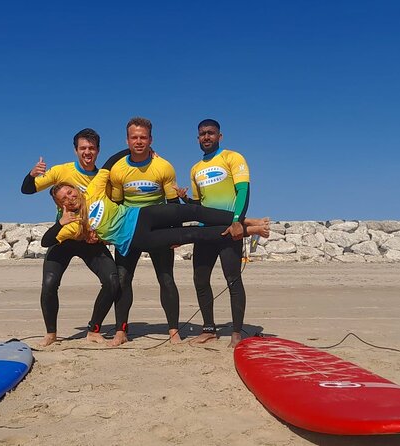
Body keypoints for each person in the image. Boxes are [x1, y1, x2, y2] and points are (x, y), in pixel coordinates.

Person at [40, 149, 270, 347]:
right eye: (63, 199)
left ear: (75, 190)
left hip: (142, 214)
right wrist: (61, 222)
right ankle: (250, 230)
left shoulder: (92, 191)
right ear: (60, 204)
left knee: (191, 212)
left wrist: (140, 153)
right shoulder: (74, 224)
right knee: (190, 234)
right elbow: (46, 241)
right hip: (136, 239)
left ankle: (244, 221)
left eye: (70, 192)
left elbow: (109, 164)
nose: (70, 198)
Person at [20, 128, 120, 347]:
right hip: (64, 237)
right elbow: (26, 190)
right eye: (83, 148)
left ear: (98, 150)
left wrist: (102, 237)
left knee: (113, 281)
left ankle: (94, 329)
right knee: (49, 283)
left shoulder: (104, 177)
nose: (87, 152)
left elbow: (112, 210)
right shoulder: (61, 171)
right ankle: (51, 334)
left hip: (90, 240)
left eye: (91, 148)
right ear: (76, 150)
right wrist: (32, 174)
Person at [175, 119, 269, 348]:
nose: (206, 137)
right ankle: (208, 329)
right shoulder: (195, 169)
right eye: (202, 134)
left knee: (233, 279)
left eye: (210, 133)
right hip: (206, 232)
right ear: (197, 138)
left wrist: (237, 221)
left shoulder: (232, 158)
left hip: (228, 230)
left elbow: (243, 191)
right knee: (200, 279)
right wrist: (185, 199)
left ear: (220, 136)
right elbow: (200, 204)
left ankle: (237, 332)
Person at [105, 117, 184, 346]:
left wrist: (176, 233)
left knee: (166, 279)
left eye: (143, 137)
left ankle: (173, 331)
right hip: (130, 230)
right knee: (122, 279)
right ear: (127, 140)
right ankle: (121, 330)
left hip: (158, 229)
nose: (139, 141)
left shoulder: (163, 167)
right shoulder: (119, 170)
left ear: (151, 139)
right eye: (134, 137)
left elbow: (173, 204)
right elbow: (117, 205)